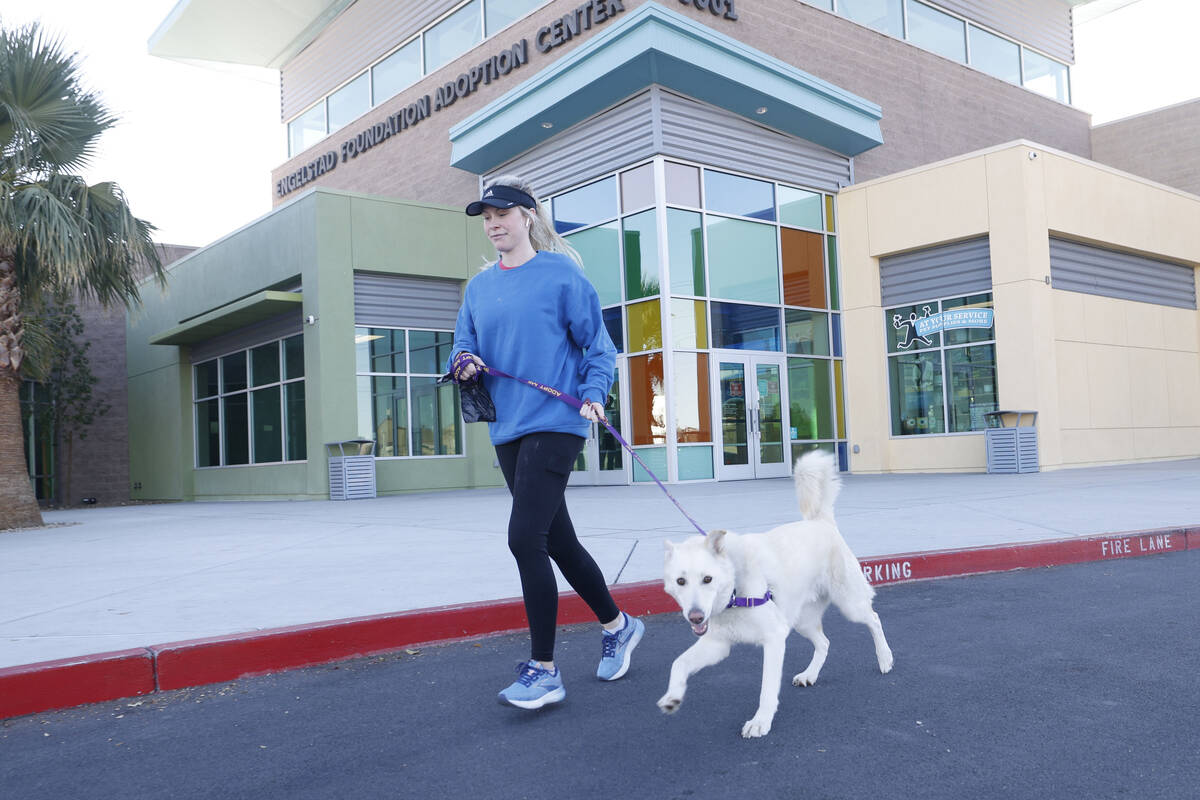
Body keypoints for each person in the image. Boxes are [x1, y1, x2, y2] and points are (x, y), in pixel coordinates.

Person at [447, 175, 645, 710]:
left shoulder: (561, 274)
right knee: (556, 541)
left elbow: (598, 347)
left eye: (502, 214)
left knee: (523, 538)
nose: (493, 224)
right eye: (486, 217)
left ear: (527, 216)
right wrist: (462, 361)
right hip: (506, 426)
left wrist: (595, 393)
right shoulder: (479, 287)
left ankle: (544, 669)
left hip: (557, 421)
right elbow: (462, 343)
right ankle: (618, 625)